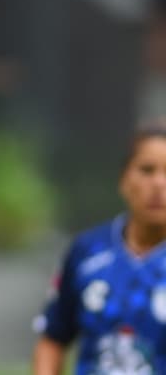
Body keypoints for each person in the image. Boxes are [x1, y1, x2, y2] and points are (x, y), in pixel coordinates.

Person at [32, 121, 166, 374]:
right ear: (124, 179)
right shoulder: (87, 251)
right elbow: (53, 338)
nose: (159, 184)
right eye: (147, 170)